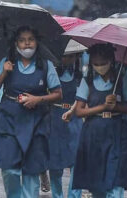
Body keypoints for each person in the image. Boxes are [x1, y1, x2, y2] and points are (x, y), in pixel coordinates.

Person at [0, 26, 62, 198]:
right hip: (9, 120)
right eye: (22, 40)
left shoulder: (46, 65)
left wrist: (38, 99)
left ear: (37, 42)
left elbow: (58, 94)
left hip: (37, 121)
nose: (27, 43)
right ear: (16, 43)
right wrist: (4, 74)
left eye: (31, 39)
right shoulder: (6, 62)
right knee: (10, 171)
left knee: (31, 171)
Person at [72, 43, 127, 197]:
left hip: (117, 133)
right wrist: (102, 107)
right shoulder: (87, 81)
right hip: (94, 134)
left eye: (103, 63)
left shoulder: (121, 80)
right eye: (96, 64)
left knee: (115, 179)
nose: (100, 67)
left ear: (111, 60)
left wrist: (116, 107)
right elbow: (79, 111)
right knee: (97, 182)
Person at [48, 52, 83, 198]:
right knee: (55, 160)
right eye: (64, 56)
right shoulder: (51, 73)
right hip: (55, 116)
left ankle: (74, 195)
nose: (66, 59)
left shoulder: (81, 76)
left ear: (76, 57)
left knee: (77, 160)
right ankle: (57, 195)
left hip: (75, 118)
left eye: (70, 56)